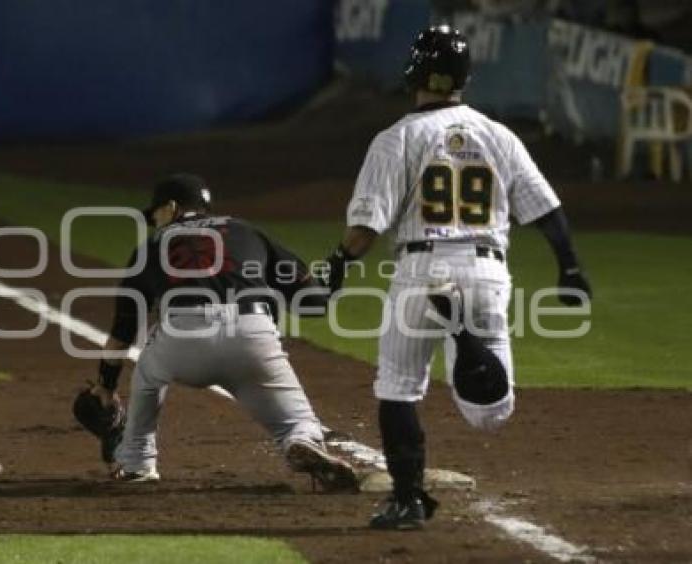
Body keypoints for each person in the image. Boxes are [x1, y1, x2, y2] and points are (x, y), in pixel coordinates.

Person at [319, 25, 592, 529]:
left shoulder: (397, 138)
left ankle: (407, 500)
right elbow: (547, 211)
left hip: (421, 271)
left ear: (415, 73)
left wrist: (333, 269)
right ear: (464, 77)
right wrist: (570, 268)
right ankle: (467, 339)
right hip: (487, 271)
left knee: (398, 387)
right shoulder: (499, 135)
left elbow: (365, 227)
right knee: (491, 414)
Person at [72, 173, 358, 492]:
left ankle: (137, 461)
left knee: (148, 370)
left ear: (171, 206)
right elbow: (313, 303)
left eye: (155, 214)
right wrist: (335, 272)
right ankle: (300, 439)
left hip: (182, 340)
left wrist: (106, 386)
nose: (153, 221)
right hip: (252, 333)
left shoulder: (151, 245)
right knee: (298, 418)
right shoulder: (245, 231)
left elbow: (123, 329)